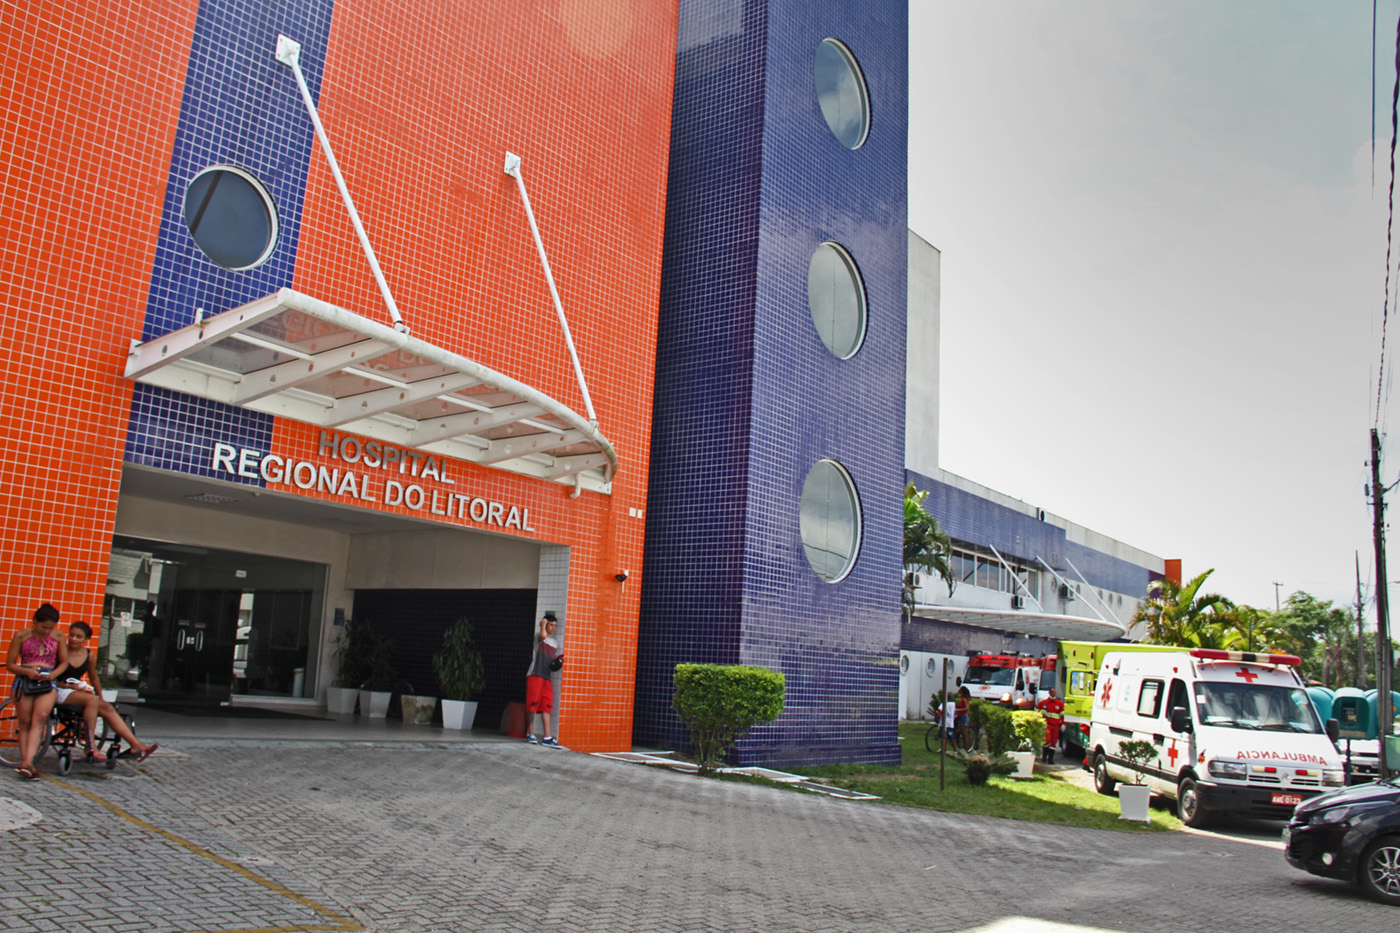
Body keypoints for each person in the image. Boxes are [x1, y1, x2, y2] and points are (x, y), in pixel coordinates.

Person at [49, 620, 156, 763]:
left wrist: (101, 697)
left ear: (86, 639)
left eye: (79, 637)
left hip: (78, 692)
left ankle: (136, 745)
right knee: (91, 700)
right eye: (72, 635)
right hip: (60, 689)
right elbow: (50, 677)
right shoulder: (60, 652)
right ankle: (91, 747)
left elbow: (94, 678)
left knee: (107, 707)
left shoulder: (89, 655)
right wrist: (71, 687)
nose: (73, 639)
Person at [5, 603, 68, 779]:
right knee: (25, 721)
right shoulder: (21, 636)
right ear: (35, 621)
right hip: (25, 678)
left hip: (47, 680)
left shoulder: (58, 636)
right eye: (43, 627)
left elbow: (64, 662)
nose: (46, 631)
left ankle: (28, 762)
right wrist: (26, 672)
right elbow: (10, 664)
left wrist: (53, 675)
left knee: (40, 717)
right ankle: (27, 762)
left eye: (50, 628)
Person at [524, 612, 563, 749]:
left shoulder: (555, 643)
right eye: (550, 625)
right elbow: (542, 636)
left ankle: (547, 737)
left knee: (547, 705)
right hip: (535, 675)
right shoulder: (539, 637)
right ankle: (530, 733)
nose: (553, 628)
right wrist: (542, 625)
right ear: (545, 625)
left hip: (547, 677)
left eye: (554, 626)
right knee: (532, 704)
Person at [1037, 688, 1065, 764]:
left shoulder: (1059, 703)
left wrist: (1063, 724)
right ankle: (1044, 757)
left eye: (1054, 692)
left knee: (1053, 742)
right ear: (1049, 693)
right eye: (1052, 692)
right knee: (1047, 740)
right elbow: (1037, 711)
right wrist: (1042, 713)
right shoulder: (1044, 703)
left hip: (1056, 726)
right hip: (1047, 725)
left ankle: (1050, 759)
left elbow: (1062, 715)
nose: (1053, 694)